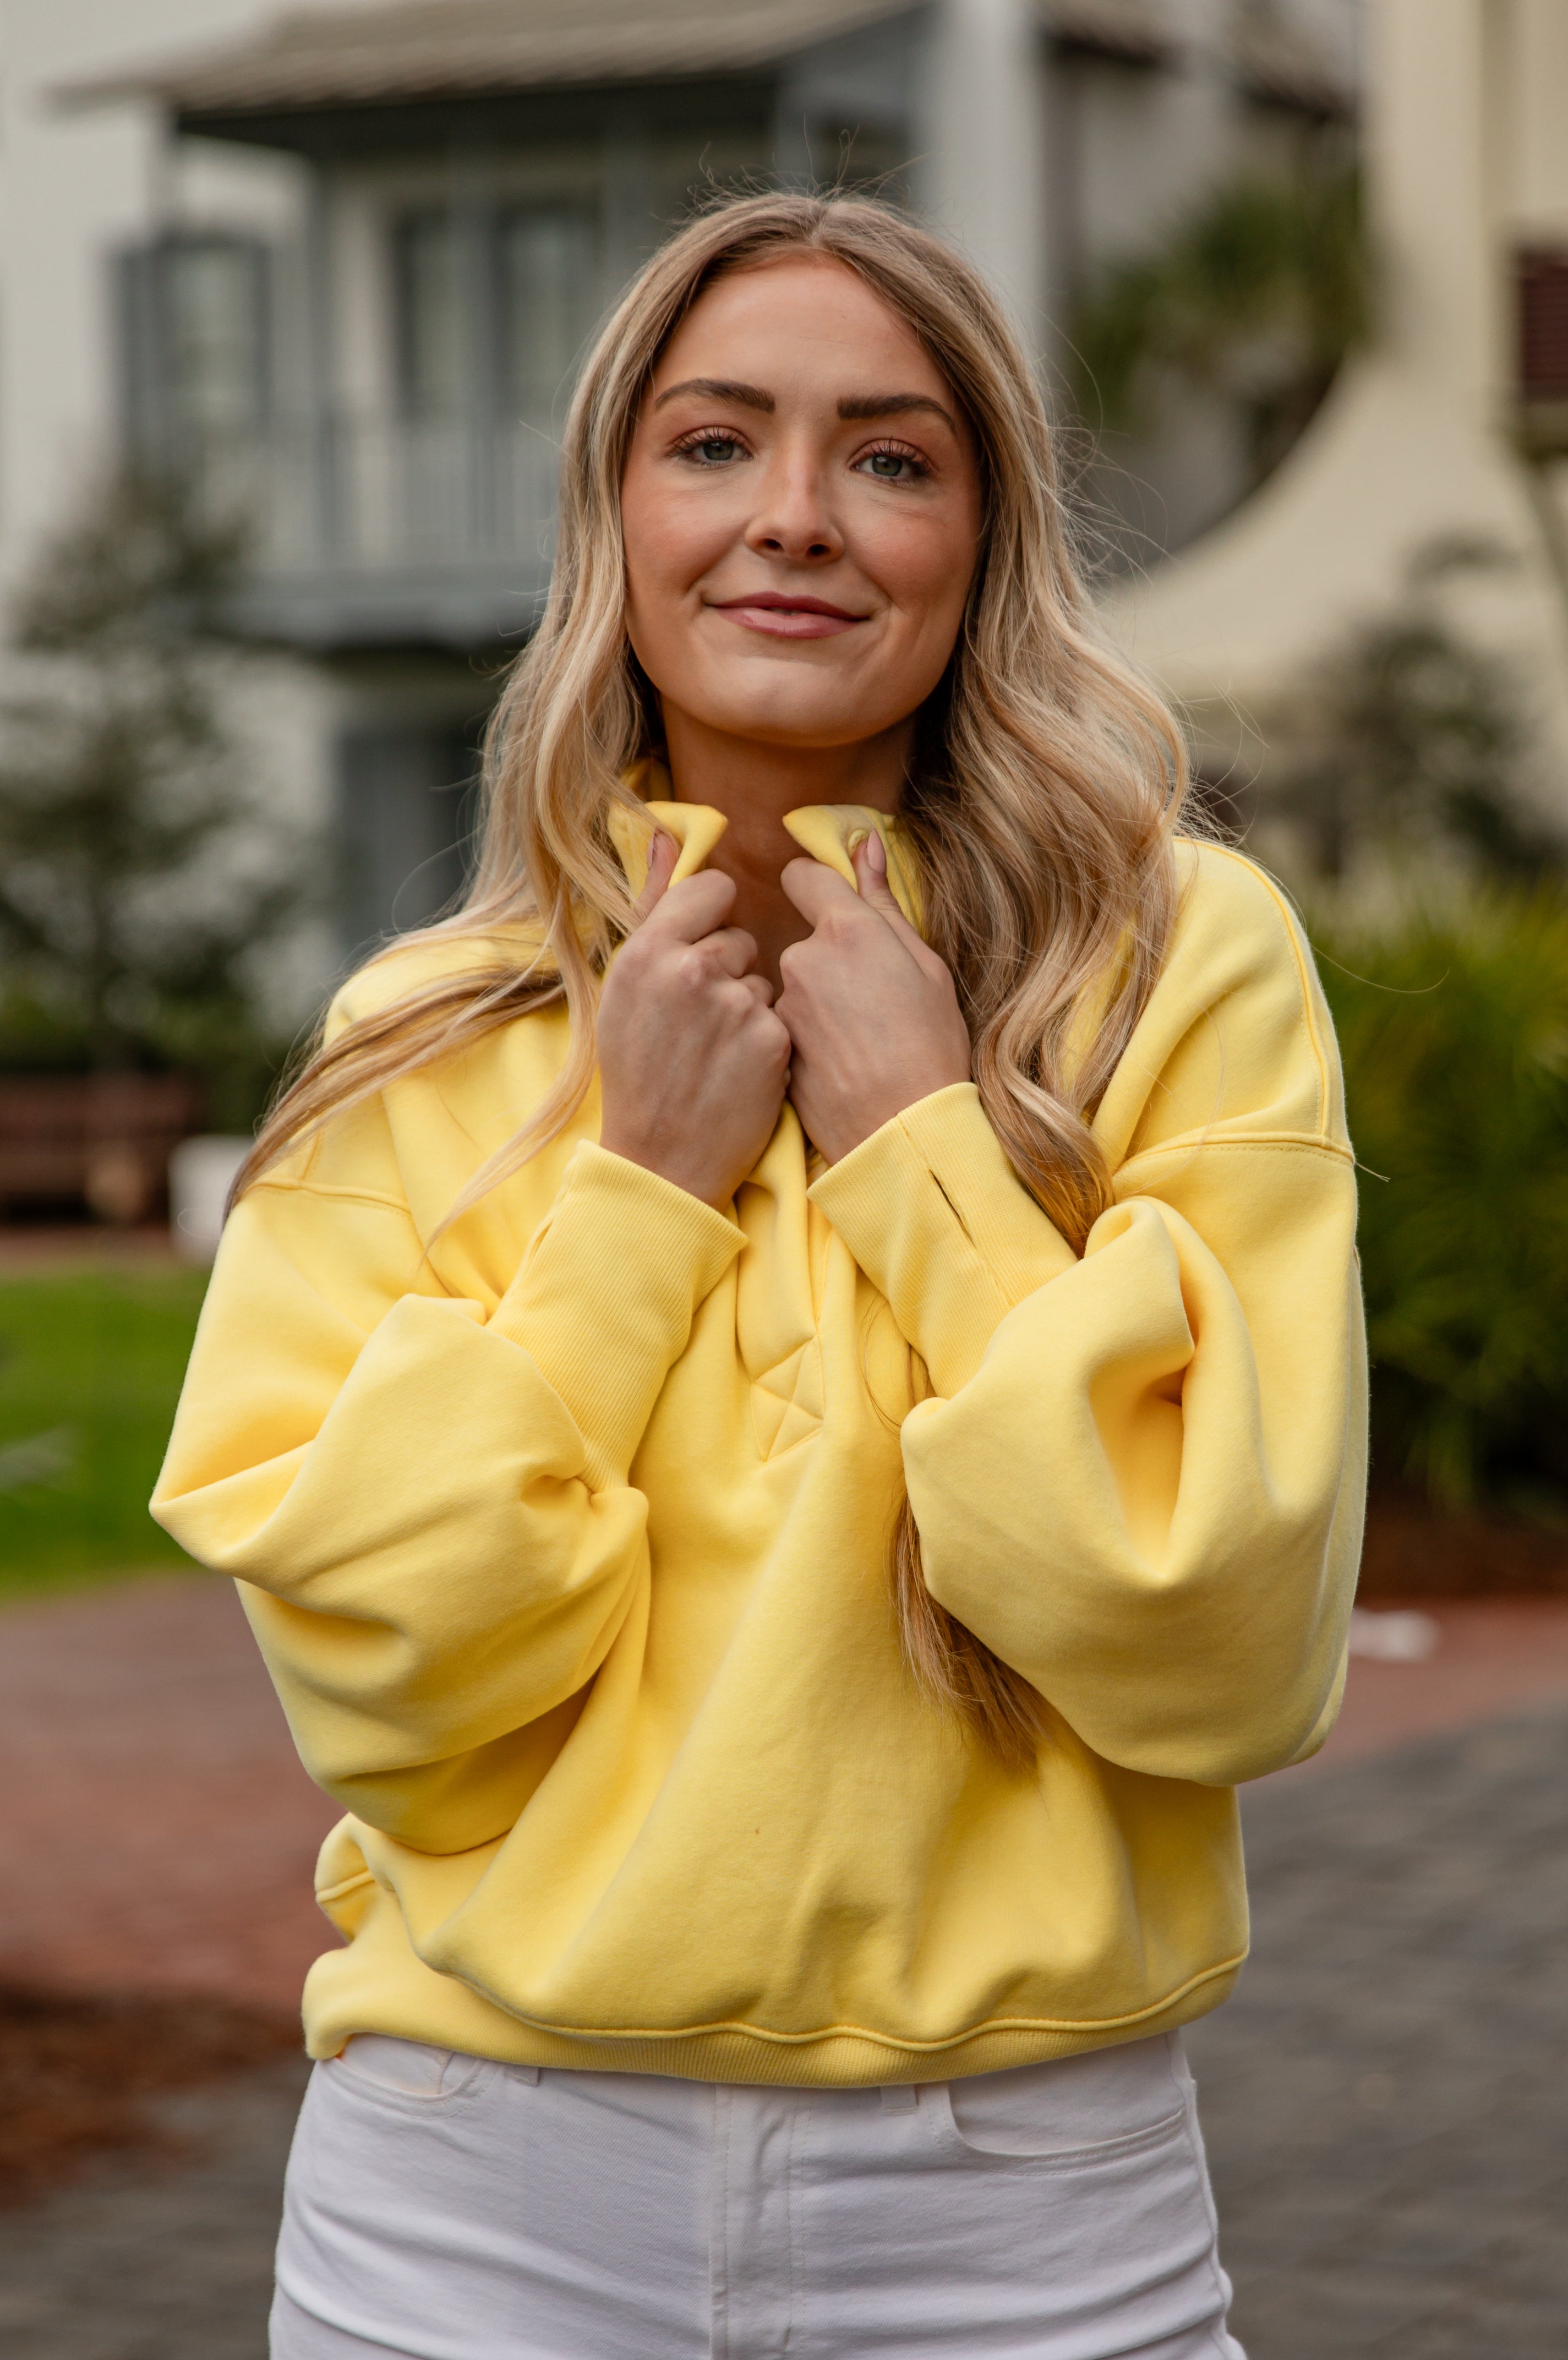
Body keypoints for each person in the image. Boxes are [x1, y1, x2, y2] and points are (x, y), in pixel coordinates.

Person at [154, 192, 1365, 2360]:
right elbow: (384, 1688)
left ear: (979, 541)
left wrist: (919, 1148)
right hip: (475, 2205)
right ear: (612, 512)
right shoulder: (415, 1031)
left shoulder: (1178, 966)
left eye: (888, 457)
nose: (793, 516)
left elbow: (1220, 1628)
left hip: (1031, 2220)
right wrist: (638, 1196)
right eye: (715, 444)